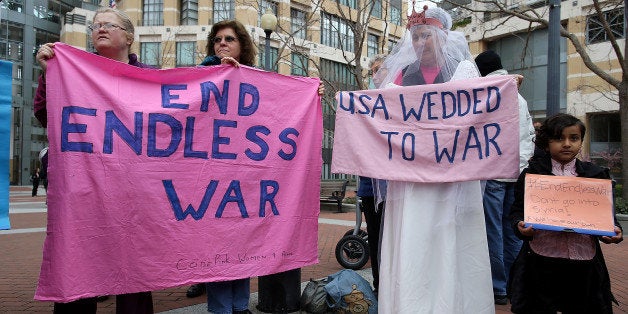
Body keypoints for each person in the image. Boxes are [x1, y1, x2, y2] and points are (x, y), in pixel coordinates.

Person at [374, 3, 494, 313]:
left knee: (448, 242)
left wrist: (502, 92)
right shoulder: (400, 76)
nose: (419, 43)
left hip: (451, 180)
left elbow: (478, 118)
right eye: (414, 37)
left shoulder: (463, 71)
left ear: (442, 35)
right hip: (411, 180)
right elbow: (382, 116)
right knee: (413, 243)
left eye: (425, 35)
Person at [34, 7, 154, 314]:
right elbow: (46, 114)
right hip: (81, 189)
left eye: (109, 25)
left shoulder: (150, 79)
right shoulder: (70, 70)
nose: (100, 28)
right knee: (76, 262)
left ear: (128, 36)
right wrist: (50, 73)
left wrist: (225, 77)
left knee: (133, 272)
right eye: (96, 25)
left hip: (132, 193)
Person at [508, 113, 623, 313]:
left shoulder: (595, 175)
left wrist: (615, 231)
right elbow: (517, 211)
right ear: (546, 143)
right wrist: (519, 225)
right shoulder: (532, 175)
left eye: (574, 138)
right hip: (542, 260)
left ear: (581, 141)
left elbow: (607, 217)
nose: (567, 144)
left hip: (584, 261)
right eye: (559, 138)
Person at [474, 50, 535, 305]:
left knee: (493, 231)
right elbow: (528, 135)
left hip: (496, 173)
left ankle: (498, 286)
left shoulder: (491, 94)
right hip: (517, 172)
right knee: (513, 232)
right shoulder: (518, 96)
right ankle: (512, 284)